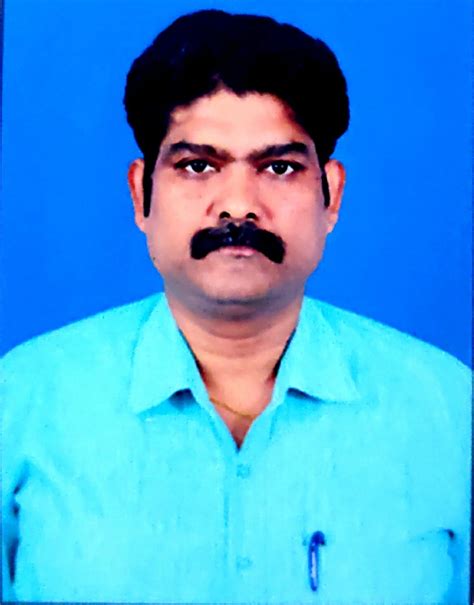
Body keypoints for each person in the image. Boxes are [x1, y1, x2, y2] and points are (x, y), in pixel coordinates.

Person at [1, 8, 471, 604]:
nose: (238, 206)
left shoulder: (449, 410)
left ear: (331, 195)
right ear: (141, 194)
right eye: (198, 166)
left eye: (279, 167)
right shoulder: (22, 400)